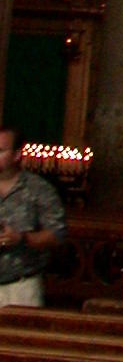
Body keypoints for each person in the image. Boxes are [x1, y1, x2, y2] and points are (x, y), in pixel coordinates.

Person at [0, 127, 65, 307]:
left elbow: (57, 234)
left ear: (16, 155)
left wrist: (21, 238)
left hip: (20, 286)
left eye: (0, 151)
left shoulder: (38, 189)